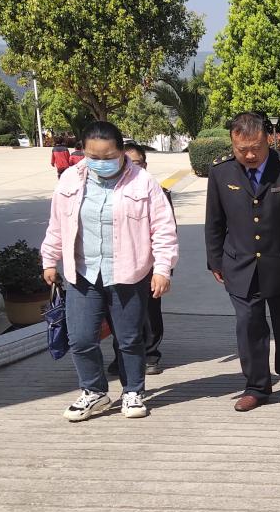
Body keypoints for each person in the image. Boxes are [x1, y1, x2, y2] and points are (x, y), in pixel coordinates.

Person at [41, 121, 179, 421]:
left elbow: (163, 229)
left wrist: (162, 268)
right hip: (83, 273)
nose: (101, 162)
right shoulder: (70, 180)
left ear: (121, 152)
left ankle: (132, 391)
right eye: (94, 156)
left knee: (129, 339)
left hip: (128, 273)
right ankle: (94, 392)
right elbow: (57, 224)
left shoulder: (143, 182)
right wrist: (49, 260)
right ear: (83, 151)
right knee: (80, 338)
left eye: (108, 156)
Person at [205, 111, 280, 412]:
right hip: (239, 264)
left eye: (256, 147)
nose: (249, 155)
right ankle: (257, 386)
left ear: (268, 139)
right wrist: (215, 260)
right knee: (249, 324)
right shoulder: (221, 172)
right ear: (232, 144)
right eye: (241, 149)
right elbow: (214, 221)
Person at [106, 143, 174, 376]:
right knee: (117, 311)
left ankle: (151, 354)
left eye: (136, 163)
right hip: (117, 263)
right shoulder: (108, 192)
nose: (129, 167)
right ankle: (121, 356)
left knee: (149, 311)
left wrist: (163, 268)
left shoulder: (157, 191)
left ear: (145, 165)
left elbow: (167, 230)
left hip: (148, 263)